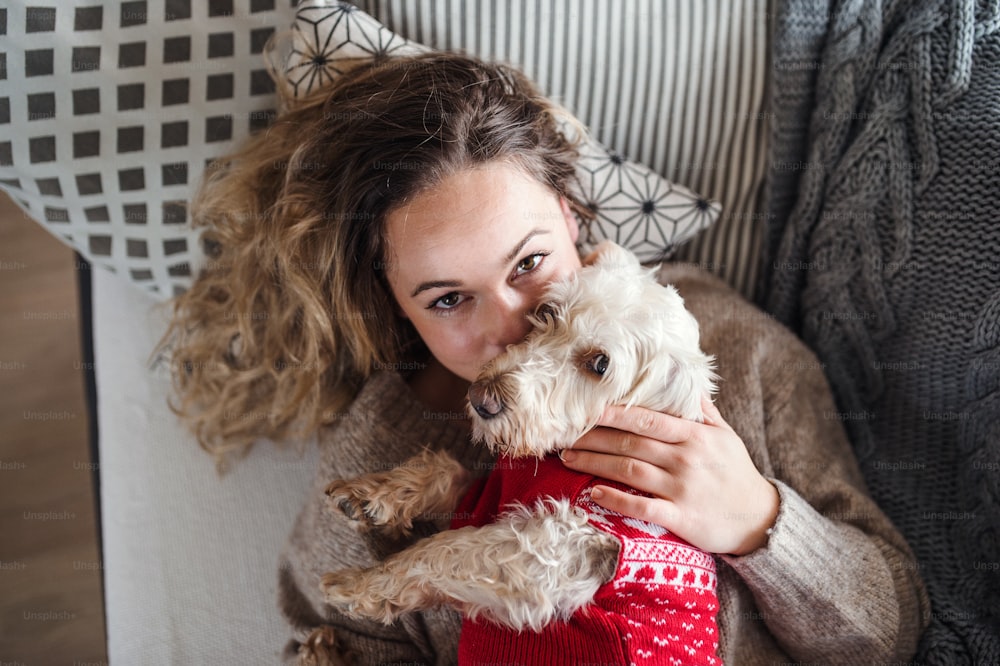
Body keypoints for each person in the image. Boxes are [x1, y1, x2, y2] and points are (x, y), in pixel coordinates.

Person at [159, 52, 929, 665]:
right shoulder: (384, 442)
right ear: (396, 302)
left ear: (571, 213)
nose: (515, 328)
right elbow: (334, 629)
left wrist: (758, 522)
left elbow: (887, 634)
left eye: (528, 264)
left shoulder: (731, 351)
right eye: (448, 299)